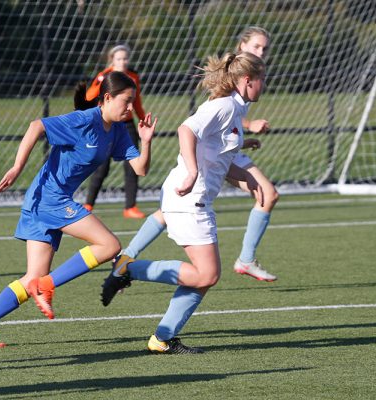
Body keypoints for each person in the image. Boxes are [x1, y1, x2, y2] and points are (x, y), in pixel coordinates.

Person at [0, 71, 157, 348]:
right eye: (126, 101)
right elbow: (36, 126)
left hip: (44, 201)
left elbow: (140, 169)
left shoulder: (119, 132)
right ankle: (45, 286)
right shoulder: (86, 119)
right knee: (109, 245)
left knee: (32, 278)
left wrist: (146, 140)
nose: (130, 108)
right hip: (50, 200)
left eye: (133, 101)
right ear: (107, 98)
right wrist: (17, 167)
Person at [101, 51, 266, 354]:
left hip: (191, 199)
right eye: (261, 79)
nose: (264, 85)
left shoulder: (230, 110)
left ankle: (162, 337)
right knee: (207, 274)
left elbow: (216, 159)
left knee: (204, 278)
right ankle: (128, 269)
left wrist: (247, 177)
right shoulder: (225, 106)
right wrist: (191, 171)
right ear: (247, 81)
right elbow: (185, 130)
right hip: (189, 199)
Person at [115, 26, 278, 282]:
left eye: (265, 49)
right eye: (257, 47)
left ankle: (126, 258)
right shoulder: (236, 84)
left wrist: (243, 139)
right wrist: (249, 127)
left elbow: (225, 128)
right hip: (210, 156)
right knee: (263, 195)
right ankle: (245, 259)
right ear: (241, 48)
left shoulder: (244, 88)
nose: (262, 52)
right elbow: (206, 121)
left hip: (221, 151)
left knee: (170, 210)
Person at [82, 44, 147, 219]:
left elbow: (137, 101)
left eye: (125, 58)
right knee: (101, 166)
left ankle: (130, 207)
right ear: (112, 60)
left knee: (132, 165)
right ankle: (88, 205)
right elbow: (89, 96)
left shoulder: (133, 76)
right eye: (119, 59)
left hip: (127, 125)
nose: (123, 62)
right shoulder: (104, 76)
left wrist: (142, 119)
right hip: (107, 124)